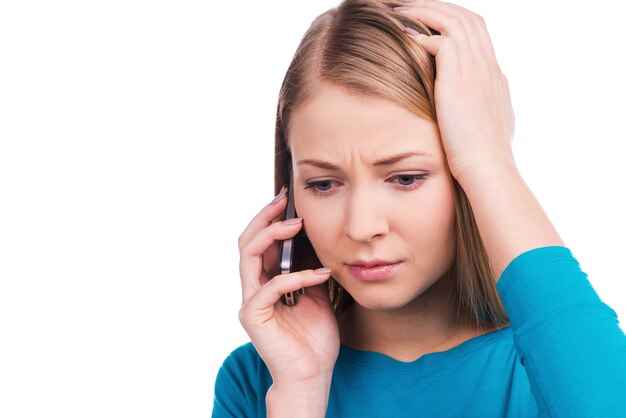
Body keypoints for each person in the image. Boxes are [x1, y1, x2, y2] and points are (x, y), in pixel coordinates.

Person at [212, 0, 626, 416]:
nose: (361, 226)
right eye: (323, 184)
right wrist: (302, 391)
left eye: (406, 178)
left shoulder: (552, 367)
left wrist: (491, 160)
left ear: (467, 181)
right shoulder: (260, 381)